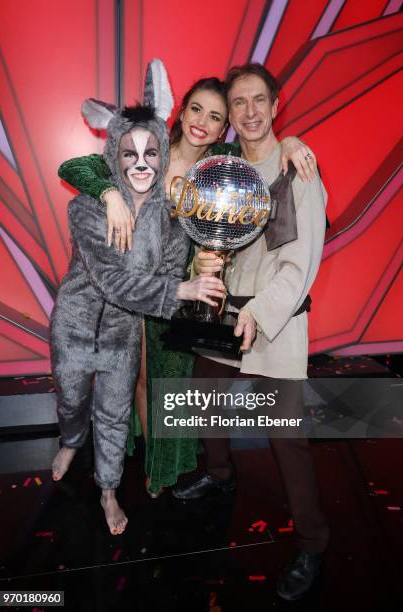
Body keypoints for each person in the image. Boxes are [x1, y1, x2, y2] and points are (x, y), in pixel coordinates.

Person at [58, 73, 318, 496]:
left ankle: (163, 469)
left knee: (171, 390)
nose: (204, 121)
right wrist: (107, 193)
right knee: (134, 381)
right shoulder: (151, 147)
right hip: (130, 288)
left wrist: (290, 142)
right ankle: (144, 458)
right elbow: (76, 165)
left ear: (224, 128)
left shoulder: (222, 163)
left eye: (216, 116)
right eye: (197, 109)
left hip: (185, 293)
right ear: (182, 112)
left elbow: (265, 155)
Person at [172, 63, 329, 602]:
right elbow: (208, 232)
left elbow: (300, 260)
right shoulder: (226, 166)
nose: (249, 112)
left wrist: (261, 313)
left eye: (258, 101)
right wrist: (204, 267)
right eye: (238, 104)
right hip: (224, 310)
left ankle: (312, 542)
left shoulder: (298, 171)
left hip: (272, 319)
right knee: (200, 392)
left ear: (275, 104)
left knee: (287, 436)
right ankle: (220, 472)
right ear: (231, 115)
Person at [50, 83, 226, 535]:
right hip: (73, 326)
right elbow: (111, 281)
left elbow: (171, 269)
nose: (142, 163)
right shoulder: (88, 205)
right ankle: (71, 439)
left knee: (113, 410)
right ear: (116, 155)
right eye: (131, 154)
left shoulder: (175, 210)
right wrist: (109, 196)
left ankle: (108, 491)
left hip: (125, 332)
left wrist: (193, 275)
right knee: (72, 401)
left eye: (151, 153)